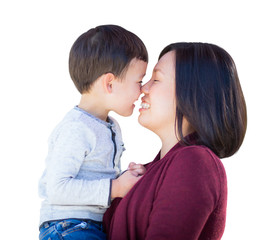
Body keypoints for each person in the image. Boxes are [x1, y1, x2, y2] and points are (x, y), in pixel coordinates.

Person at [103, 42, 247, 240]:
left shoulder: (196, 162)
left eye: (156, 79)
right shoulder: (147, 171)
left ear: (193, 93)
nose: (143, 88)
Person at [38, 25, 148, 240]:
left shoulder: (110, 125)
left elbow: (95, 176)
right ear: (109, 83)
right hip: (68, 227)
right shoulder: (77, 128)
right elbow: (57, 188)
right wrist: (114, 187)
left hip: (92, 226)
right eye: (139, 81)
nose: (143, 89)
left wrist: (124, 178)